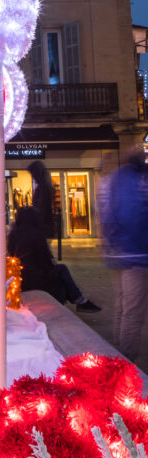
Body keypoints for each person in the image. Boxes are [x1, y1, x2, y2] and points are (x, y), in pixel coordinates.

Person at [100, 149, 148, 362]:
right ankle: (127, 363)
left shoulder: (114, 178)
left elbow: (105, 215)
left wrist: (112, 242)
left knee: (123, 305)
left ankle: (118, 352)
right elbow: (133, 216)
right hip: (135, 253)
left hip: (118, 254)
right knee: (133, 311)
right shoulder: (138, 178)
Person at [7, 207, 101, 312]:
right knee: (62, 271)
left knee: (60, 272)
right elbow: (45, 261)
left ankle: (80, 300)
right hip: (35, 276)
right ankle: (80, 301)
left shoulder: (13, 235)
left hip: (20, 276)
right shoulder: (37, 236)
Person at [28, 160, 56, 239]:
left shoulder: (43, 187)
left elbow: (41, 209)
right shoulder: (44, 185)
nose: (33, 177)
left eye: (33, 174)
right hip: (43, 228)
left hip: (42, 228)